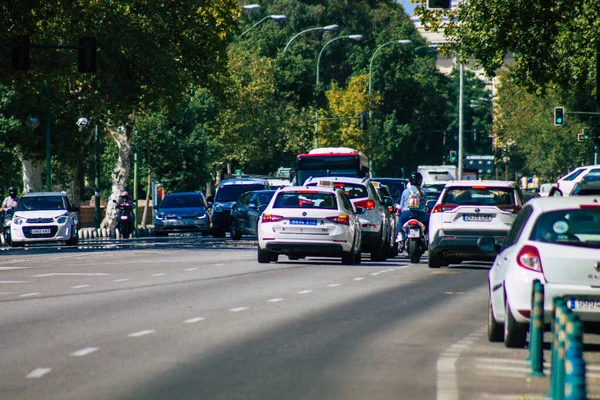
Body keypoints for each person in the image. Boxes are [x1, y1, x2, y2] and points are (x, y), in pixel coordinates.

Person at [396, 172, 429, 250]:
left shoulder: (406, 191)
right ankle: (427, 236)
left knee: (400, 221)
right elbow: (426, 205)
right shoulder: (423, 192)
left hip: (406, 214)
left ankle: (400, 236)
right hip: (420, 215)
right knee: (428, 221)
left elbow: (401, 206)